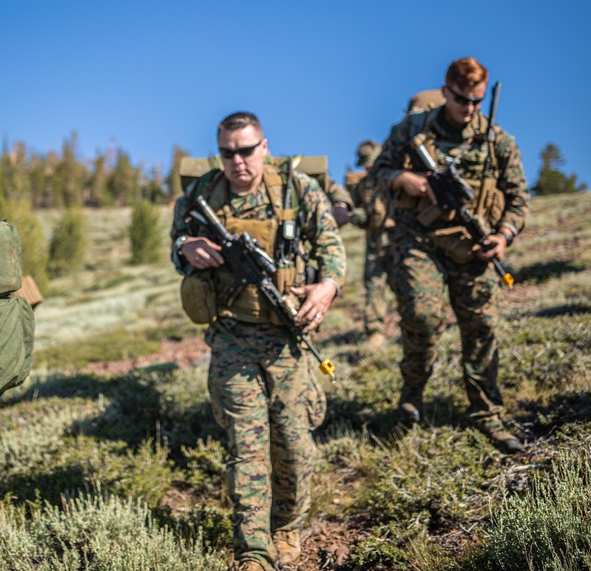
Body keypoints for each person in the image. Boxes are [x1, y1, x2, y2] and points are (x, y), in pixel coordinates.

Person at [171, 112, 345, 571]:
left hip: (287, 339)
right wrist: (186, 249)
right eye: (227, 152)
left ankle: (287, 527)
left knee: (292, 441)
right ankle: (253, 549)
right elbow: (176, 242)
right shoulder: (201, 193)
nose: (237, 161)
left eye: (246, 150)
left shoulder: (294, 190)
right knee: (245, 447)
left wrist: (326, 287)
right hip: (231, 337)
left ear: (264, 147)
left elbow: (331, 248)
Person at [371, 57, 529, 454]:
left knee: (481, 327)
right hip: (419, 240)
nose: (470, 108)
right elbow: (376, 174)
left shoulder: (498, 141)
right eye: (462, 99)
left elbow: (518, 199)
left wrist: (504, 235)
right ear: (445, 92)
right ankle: (412, 395)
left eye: (476, 101)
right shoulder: (411, 129)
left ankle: (486, 411)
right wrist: (401, 178)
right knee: (423, 318)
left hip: (474, 248)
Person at [346, 140, 393, 351]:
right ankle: (375, 331)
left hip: (398, 238)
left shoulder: (394, 177)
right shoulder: (361, 185)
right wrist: (356, 215)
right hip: (374, 242)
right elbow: (357, 213)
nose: (367, 167)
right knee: (373, 287)